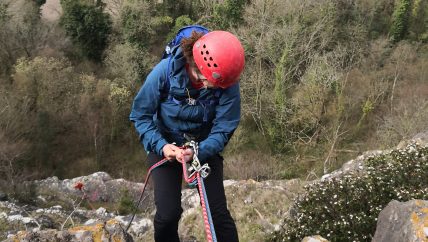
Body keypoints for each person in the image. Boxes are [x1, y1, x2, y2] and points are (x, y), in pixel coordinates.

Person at [129, 29, 245, 242]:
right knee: (167, 215)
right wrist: (162, 146)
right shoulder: (164, 72)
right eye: (213, 83)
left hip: (204, 146)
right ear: (197, 66)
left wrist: (198, 150)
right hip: (164, 144)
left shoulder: (226, 79)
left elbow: (224, 128)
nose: (218, 88)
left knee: (217, 215)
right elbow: (140, 115)